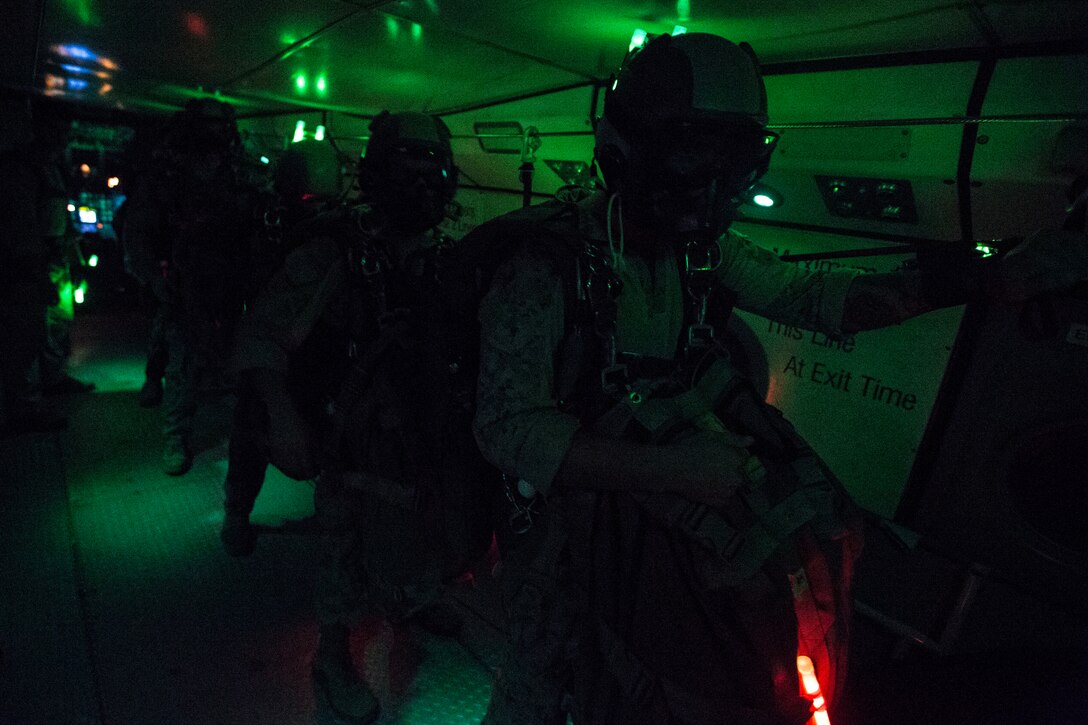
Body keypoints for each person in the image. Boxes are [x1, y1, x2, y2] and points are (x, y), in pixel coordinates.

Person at [471, 32, 1088, 725]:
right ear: (628, 150)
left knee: (627, 687)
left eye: (729, 163)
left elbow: (814, 296)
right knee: (535, 681)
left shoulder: (703, 252)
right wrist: (671, 470)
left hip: (643, 540)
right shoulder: (542, 268)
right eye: (689, 155)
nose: (708, 188)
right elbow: (508, 429)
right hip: (559, 538)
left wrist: (982, 276)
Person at [233, 111, 484, 724]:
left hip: (425, 427)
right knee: (345, 550)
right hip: (354, 439)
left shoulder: (451, 253)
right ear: (375, 178)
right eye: (408, 174)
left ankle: (413, 602)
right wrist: (283, 416)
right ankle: (332, 656)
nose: (424, 190)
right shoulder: (335, 255)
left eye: (435, 175)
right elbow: (261, 339)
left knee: (428, 528)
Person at [220, 137, 347, 557]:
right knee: (249, 431)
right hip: (273, 347)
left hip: (319, 355)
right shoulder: (266, 231)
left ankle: (334, 515)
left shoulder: (339, 236)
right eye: (310, 200)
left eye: (327, 202)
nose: (319, 212)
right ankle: (236, 511)